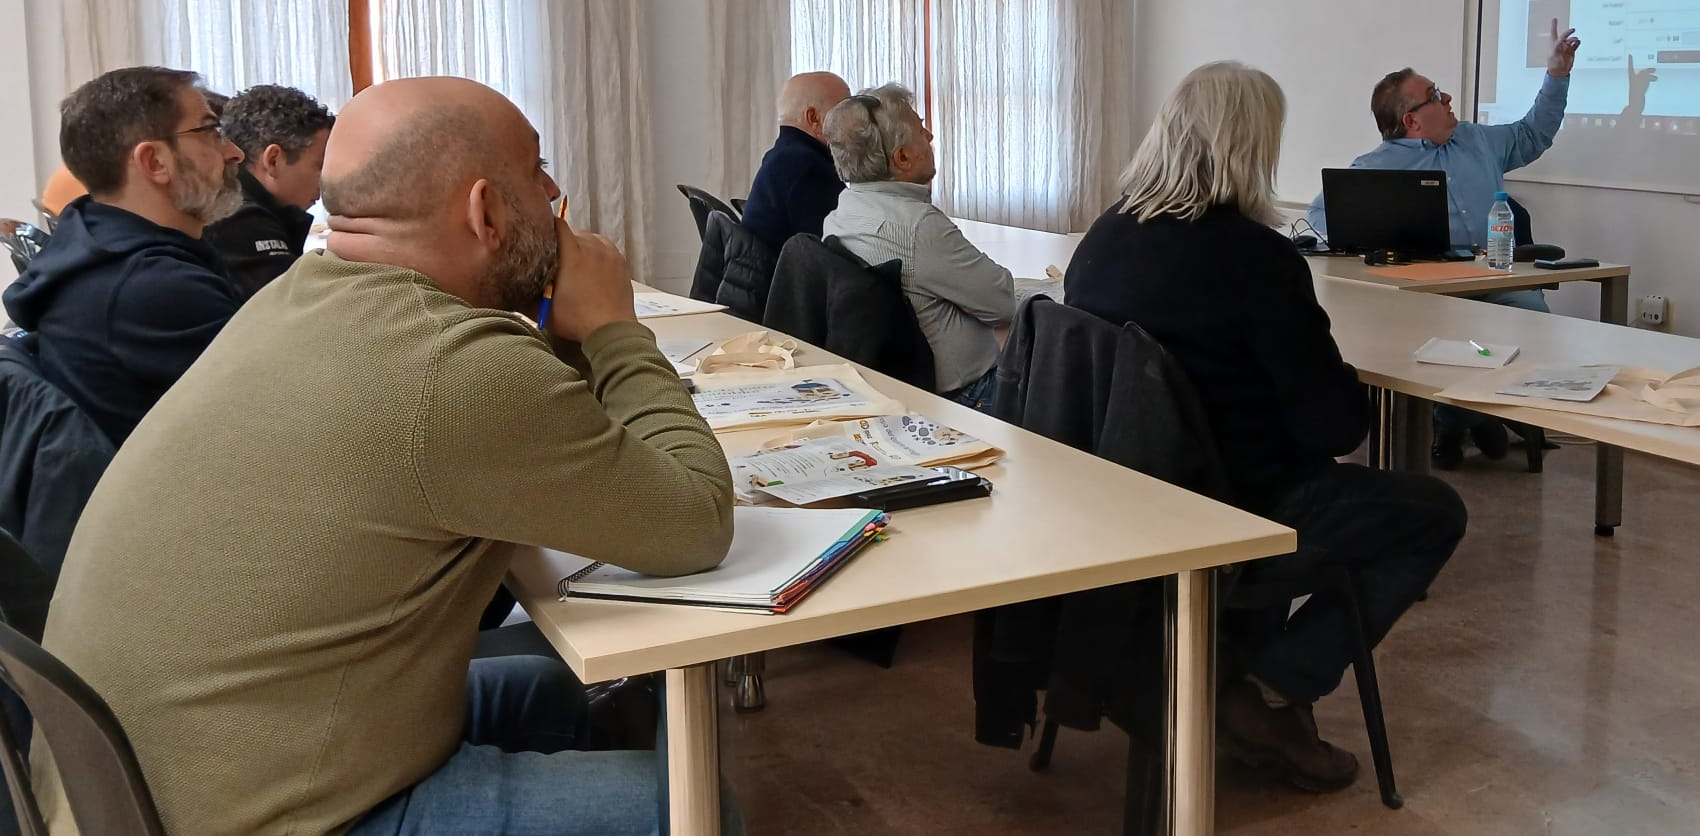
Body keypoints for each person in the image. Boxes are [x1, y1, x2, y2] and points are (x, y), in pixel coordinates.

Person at [29, 77, 740, 836]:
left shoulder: (296, 295)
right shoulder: (453, 369)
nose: (554, 194)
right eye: (537, 172)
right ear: (485, 212)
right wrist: (612, 329)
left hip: (140, 780)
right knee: (692, 810)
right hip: (254, 815)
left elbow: (529, 431)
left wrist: (557, 327)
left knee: (547, 691)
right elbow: (694, 523)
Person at [1064, 61, 1466, 795]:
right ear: (1253, 148)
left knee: (1280, 473)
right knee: (1432, 511)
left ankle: (1232, 685)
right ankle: (1269, 690)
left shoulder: (1103, 238)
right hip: (1235, 510)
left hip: (1128, 498)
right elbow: (1333, 427)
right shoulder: (1256, 258)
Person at [1304, 21, 1582, 464]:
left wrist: (1557, 75)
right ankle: (1467, 419)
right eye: (1435, 95)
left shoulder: (1476, 140)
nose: (1448, 98)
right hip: (1420, 290)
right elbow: (1321, 221)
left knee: (1531, 316)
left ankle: (1458, 419)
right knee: (1418, 337)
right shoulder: (1373, 168)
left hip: (1489, 278)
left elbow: (1533, 134)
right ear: (1411, 120)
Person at [1, 67, 246, 446]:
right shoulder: (155, 287)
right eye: (211, 131)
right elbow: (283, 414)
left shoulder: (91, 240)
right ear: (155, 162)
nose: (234, 152)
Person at [821, 84, 1013, 409]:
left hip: (895, 385)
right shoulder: (919, 226)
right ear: (903, 158)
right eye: (921, 129)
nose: (930, 136)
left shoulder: (842, 211)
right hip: (969, 396)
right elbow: (1003, 303)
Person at [205, 84, 335, 296]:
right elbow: (295, 305)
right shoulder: (242, 218)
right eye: (320, 166)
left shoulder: (226, 200)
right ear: (273, 160)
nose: (326, 181)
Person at [741, 71, 851, 251]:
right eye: (845, 112)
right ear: (813, 118)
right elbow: (844, 245)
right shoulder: (807, 168)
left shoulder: (784, 156)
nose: (854, 122)